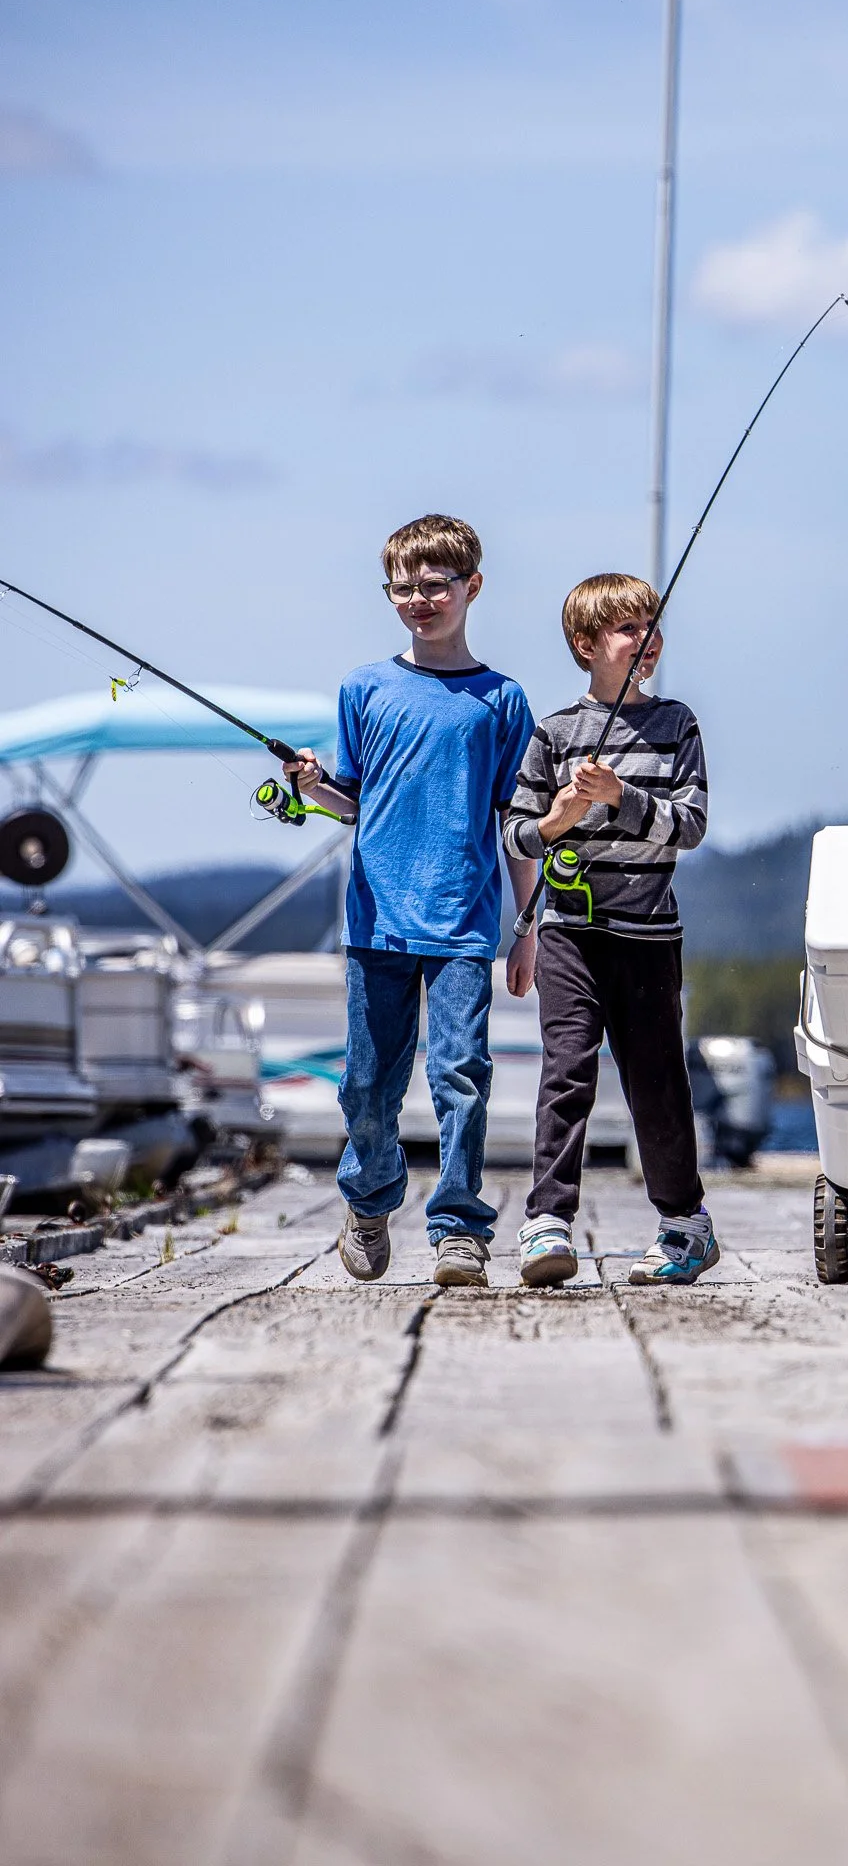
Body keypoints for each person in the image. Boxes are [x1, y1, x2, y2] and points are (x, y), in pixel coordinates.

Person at [287, 514, 537, 1289]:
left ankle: (459, 1228)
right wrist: (312, 789)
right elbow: (356, 802)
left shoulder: (503, 701)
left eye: (435, 585)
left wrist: (527, 927)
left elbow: (517, 826)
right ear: (388, 591)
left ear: (472, 587)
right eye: (405, 587)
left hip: (464, 924)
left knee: (462, 1072)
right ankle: (369, 1199)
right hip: (374, 923)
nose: (420, 599)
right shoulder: (364, 688)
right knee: (366, 1085)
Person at [502, 573, 718, 1287]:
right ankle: (547, 1224)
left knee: (657, 1080)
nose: (647, 639)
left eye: (652, 625)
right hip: (569, 933)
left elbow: (689, 827)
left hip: (651, 936)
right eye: (629, 629)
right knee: (567, 1073)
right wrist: (560, 818)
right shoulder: (554, 733)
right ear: (586, 645)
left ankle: (686, 1224)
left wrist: (622, 798)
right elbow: (516, 835)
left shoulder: (678, 723)